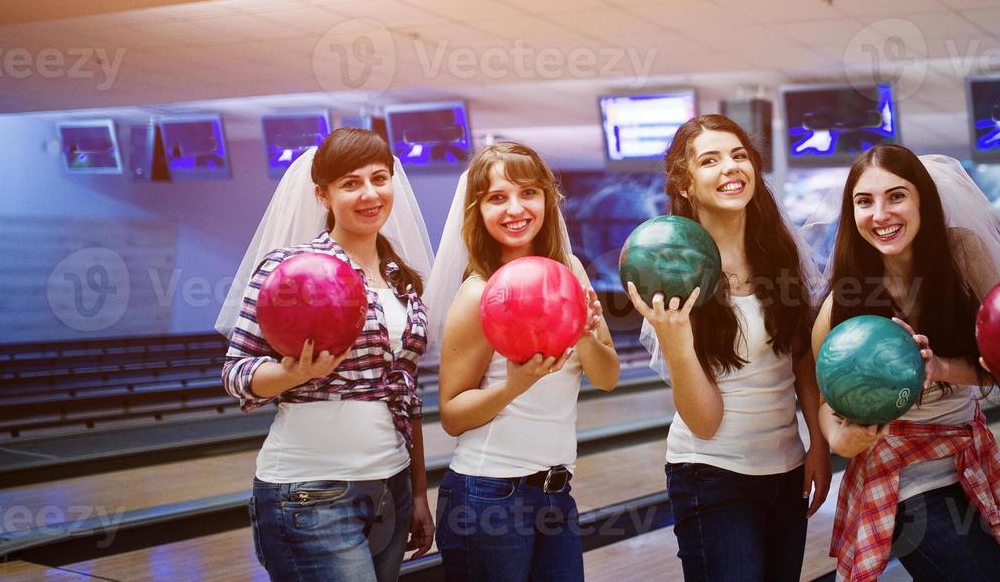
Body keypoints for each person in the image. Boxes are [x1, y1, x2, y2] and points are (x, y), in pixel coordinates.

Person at [218, 128, 437, 582]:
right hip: (311, 492)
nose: (369, 193)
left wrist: (418, 493)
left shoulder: (403, 282)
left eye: (379, 178)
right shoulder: (290, 271)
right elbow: (237, 373)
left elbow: (405, 394)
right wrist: (291, 373)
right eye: (351, 183)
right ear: (323, 194)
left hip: (390, 488)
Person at [632, 114, 831, 582]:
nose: (730, 168)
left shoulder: (778, 250)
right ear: (684, 183)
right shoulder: (669, 268)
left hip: (785, 470)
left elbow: (803, 360)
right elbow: (704, 422)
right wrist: (676, 340)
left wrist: (818, 447)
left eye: (739, 156)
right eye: (711, 160)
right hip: (711, 476)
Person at [809, 146, 1000, 582]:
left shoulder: (963, 256)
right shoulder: (840, 305)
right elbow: (827, 408)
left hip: (971, 457)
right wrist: (842, 438)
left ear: (923, 198)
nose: (880, 214)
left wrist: (938, 368)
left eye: (896, 196)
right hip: (905, 480)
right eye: (865, 202)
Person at [426, 141, 619, 582]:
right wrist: (515, 385)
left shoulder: (570, 269)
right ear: (478, 210)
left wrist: (586, 334)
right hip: (487, 495)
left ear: (547, 200)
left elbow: (607, 377)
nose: (516, 208)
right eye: (497, 198)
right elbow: (452, 416)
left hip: (555, 492)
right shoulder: (477, 293)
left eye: (528, 192)